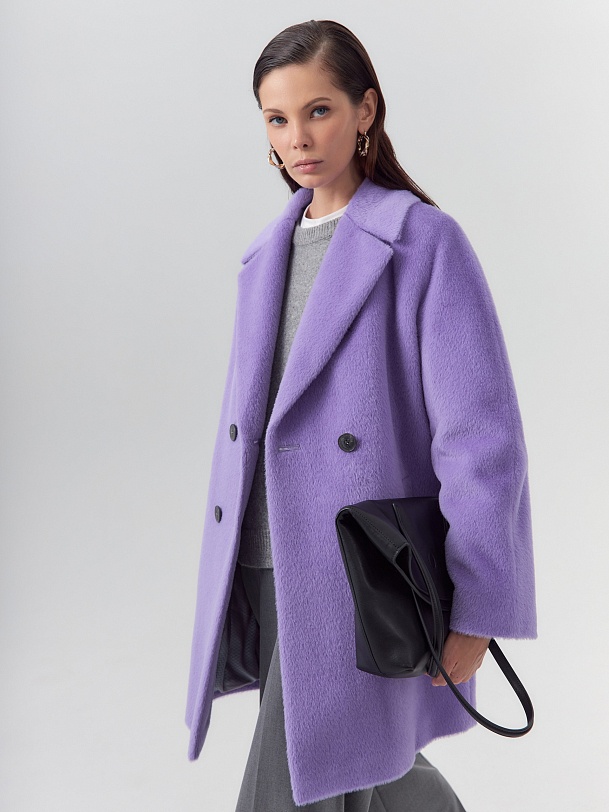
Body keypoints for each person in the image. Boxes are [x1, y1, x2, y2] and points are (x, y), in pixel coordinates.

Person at [184, 19, 537, 811]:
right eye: (277, 118)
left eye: (318, 110)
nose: (297, 138)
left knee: (300, 782)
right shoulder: (264, 256)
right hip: (266, 562)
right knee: (357, 765)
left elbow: (481, 441)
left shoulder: (422, 243)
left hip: (356, 569)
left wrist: (478, 608)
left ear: (364, 110)